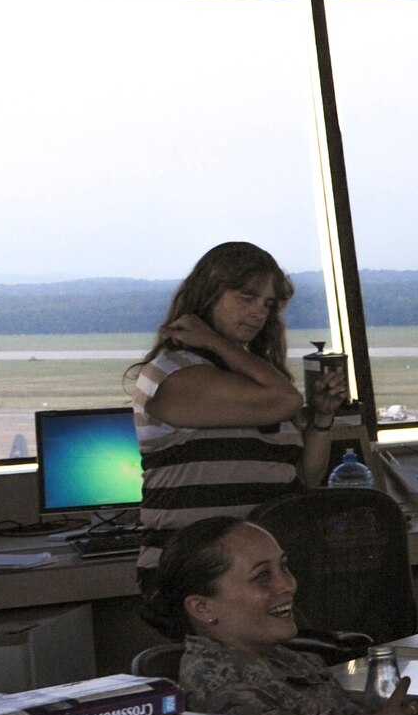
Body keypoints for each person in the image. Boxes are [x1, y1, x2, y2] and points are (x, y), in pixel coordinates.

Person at [128, 242, 345, 583]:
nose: (259, 313)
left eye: (268, 305)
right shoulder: (172, 372)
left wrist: (321, 418)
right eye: (247, 297)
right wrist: (213, 341)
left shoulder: (253, 382)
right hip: (199, 576)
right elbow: (286, 400)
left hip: (261, 572)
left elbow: (305, 477)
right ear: (208, 294)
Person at [141, 516, 418, 715]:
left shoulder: (283, 659)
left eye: (283, 567)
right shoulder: (227, 695)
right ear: (203, 607)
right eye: (262, 576)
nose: (287, 585)